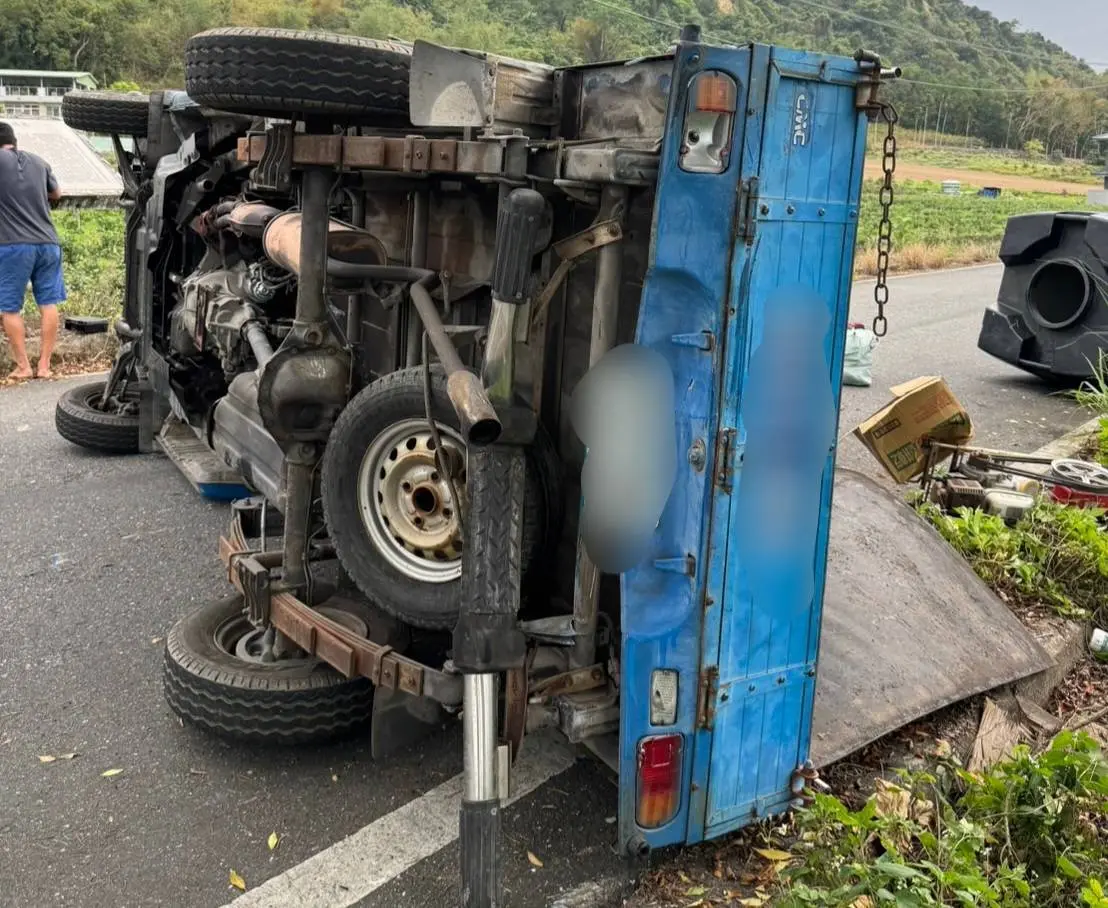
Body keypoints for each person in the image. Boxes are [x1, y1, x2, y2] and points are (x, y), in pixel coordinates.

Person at [0, 121, 64, 380]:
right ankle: (44, 366)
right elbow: (56, 194)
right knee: (48, 302)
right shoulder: (39, 161)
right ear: (14, 141)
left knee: (9, 308)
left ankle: (24, 366)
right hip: (48, 243)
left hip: (13, 245)